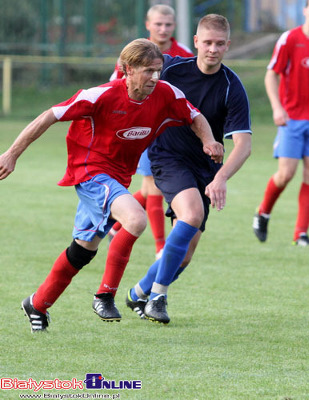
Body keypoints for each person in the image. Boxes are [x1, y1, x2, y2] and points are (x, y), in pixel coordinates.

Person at [0, 39, 223, 333]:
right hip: (90, 172)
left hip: (119, 176)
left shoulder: (166, 93)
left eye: (158, 70)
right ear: (127, 70)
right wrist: (11, 154)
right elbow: (49, 115)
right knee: (135, 218)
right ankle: (105, 294)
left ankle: (37, 303)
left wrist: (208, 140)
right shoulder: (101, 95)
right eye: (147, 71)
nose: (155, 78)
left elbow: (195, 116)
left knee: (83, 250)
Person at [125, 14, 252, 324]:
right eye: (207, 42)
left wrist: (220, 178)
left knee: (186, 254)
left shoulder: (231, 87)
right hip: (167, 156)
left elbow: (243, 145)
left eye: (219, 44)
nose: (212, 49)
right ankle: (158, 297)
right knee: (191, 215)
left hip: (205, 168)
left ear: (227, 46)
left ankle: (137, 293)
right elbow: (130, 68)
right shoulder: (171, 68)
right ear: (195, 42)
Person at [252, 0, 309, 246]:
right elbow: (271, 74)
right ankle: (263, 212)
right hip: (292, 118)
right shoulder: (290, 39)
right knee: (286, 174)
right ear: (305, 11)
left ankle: (301, 234)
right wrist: (277, 108)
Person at [109, 5, 194, 260]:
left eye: (168, 25)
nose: (163, 29)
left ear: (174, 26)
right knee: (154, 188)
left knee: (149, 189)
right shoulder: (134, 52)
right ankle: (161, 247)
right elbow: (116, 85)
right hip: (139, 125)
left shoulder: (185, 55)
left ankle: (113, 226)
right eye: (158, 24)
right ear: (148, 25)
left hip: (169, 130)